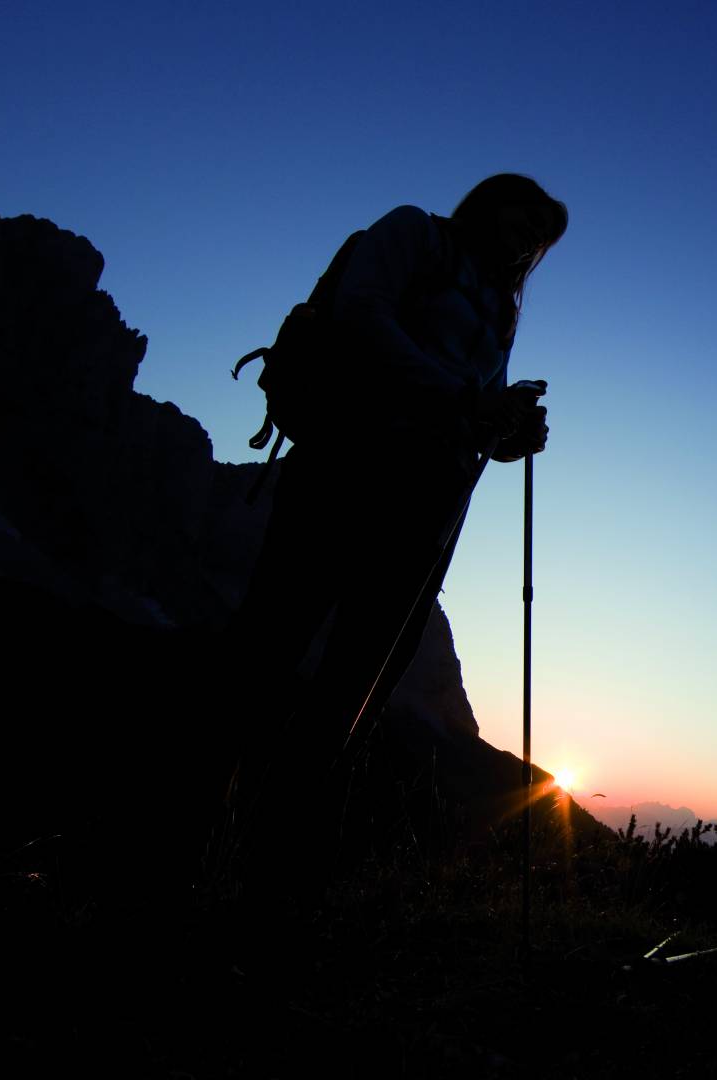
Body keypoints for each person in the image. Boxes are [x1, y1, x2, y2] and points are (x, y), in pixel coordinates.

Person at [222, 174, 567, 900]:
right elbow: (359, 316)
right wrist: (467, 399)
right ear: (488, 202)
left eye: (538, 237)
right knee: (269, 646)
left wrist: (508, 433)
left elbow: (474, 421)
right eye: (521, 218)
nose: (525, 240)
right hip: (344, 464)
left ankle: (276, 864)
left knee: (356, 685)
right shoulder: (417, 235)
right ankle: (197, 831)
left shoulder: (498, 310)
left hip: (423, 513)